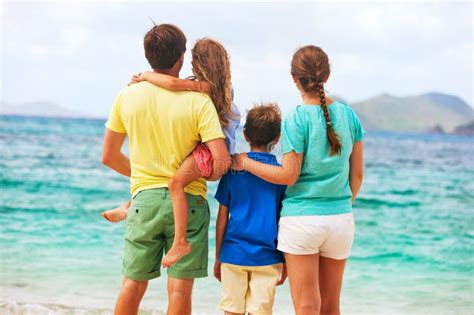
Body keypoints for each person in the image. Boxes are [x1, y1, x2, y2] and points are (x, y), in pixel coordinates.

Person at [102, 24, 231, 315]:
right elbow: (221, 161)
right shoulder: (199, 100)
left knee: (132, 285)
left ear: (148, 56)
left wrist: (144, 176)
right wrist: (210, 171)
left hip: (143, 202)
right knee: (179, 290)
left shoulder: (127, 95)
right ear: (182, 58)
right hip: (190, 201)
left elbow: (109, 156)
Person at [233, 45, 365, 315]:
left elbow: (289, 175)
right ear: (327, 75)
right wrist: (340, 203)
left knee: (307, 306)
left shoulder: (296, 118)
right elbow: (358, 175)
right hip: (341, 220)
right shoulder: (349, 115)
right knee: (331, 307)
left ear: (294, 79)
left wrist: (245, 161)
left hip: (302, 222)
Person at [214, 103, 287, 315]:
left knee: (231, 312)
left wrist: (219, 255)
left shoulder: (233, 170)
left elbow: (221, 219)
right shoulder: (281, 175)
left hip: (233, 253)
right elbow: (284, 221)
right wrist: (286, 261)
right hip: (268, 256)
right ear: (277, 138)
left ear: (245, 135)